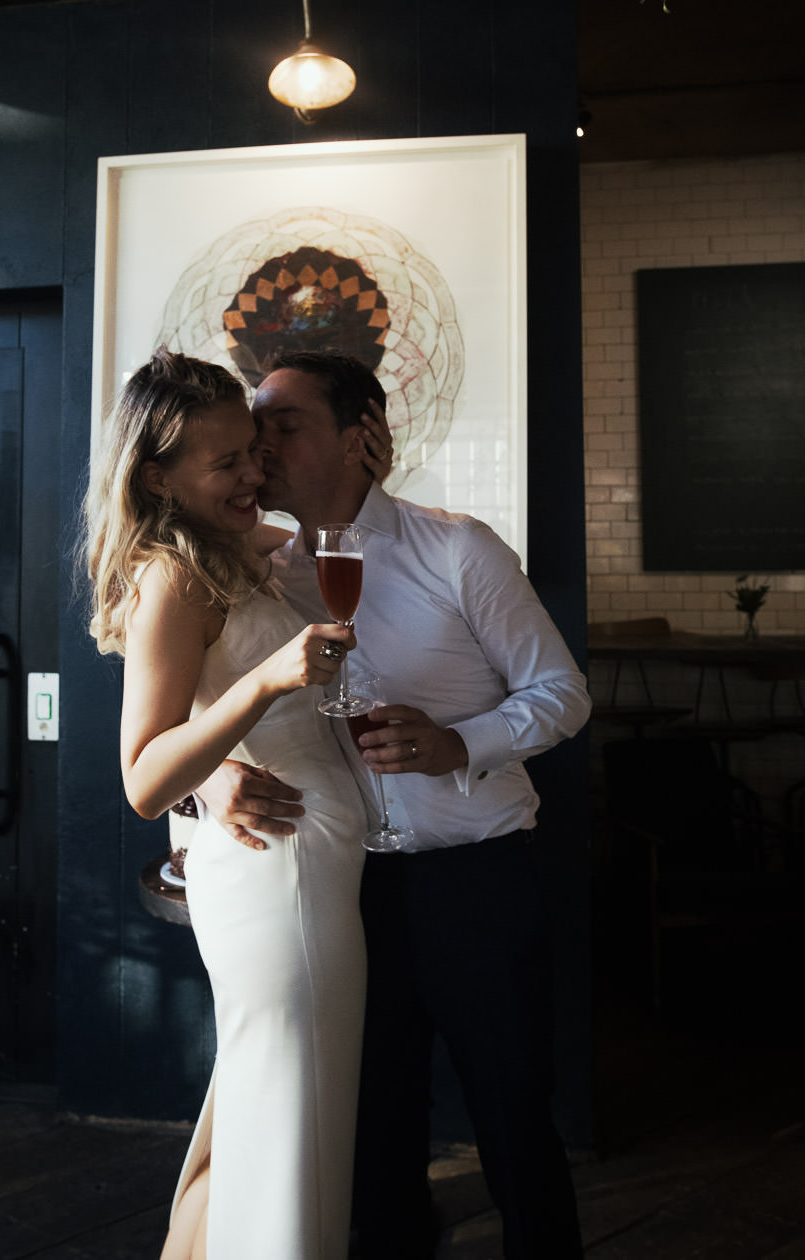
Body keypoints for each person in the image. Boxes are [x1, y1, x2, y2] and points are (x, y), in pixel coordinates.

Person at [196, 350, 592, 1260]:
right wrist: (210, 779)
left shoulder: (459, 547)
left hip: (475, 881)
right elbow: (189, 714)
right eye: (256, 425)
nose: (260, 441)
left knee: (512, 1112)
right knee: (370, 1125)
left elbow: (562, 694)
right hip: (341, 890)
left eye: (285, 423)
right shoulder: (261, 574)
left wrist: (460, 744)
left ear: (360, 437)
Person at [84, 348, 376, 1260]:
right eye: (229, 463)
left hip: (307, 872)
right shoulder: (174, 576)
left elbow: (341, 537)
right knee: (293, 1118)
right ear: (158, 476)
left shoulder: (239, 550)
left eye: (256, 449)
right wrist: (268, 683)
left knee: (271, 1109)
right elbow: (142, 778)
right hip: (275, 883)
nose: (256, 472)